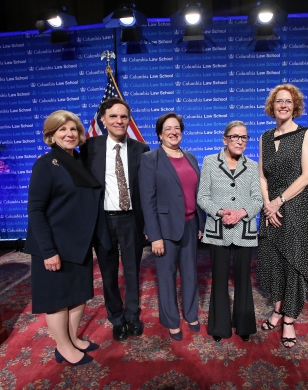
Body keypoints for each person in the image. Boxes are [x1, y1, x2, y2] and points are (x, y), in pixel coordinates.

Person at [25, 110, 110, 365]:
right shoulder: (45, 165)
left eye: (73, 129)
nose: (69, 134)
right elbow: (35, 210)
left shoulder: (78, 162)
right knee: (58, 301)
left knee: (77, 295)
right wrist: (48, 251)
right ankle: (63, 347)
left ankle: (72, 338)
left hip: (79, 245)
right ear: (51, 135)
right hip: (55, 247)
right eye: (62, 130)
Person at [79, 98, 150, 342]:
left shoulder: (141, 149)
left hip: (132, 219)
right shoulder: (89, 147)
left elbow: (148, 189)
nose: (119, 121)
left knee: (132, 271)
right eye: (113, 116)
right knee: (108, 274)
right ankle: (116, 318)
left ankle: (132, 314)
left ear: (129, 120)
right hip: (103, 221)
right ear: (103, 120)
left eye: (123, 117)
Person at [257, 84, 308, 348]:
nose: (283, 105)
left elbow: (307, 176)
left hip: (296, 209)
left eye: (289, 101)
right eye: (279, 101)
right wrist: (267, 205)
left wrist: (279, 201)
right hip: (270, 209)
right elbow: (262, 176)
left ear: (295, 107)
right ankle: (278, 310)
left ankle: (290, 320)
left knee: (293, 264)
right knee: (274, 264)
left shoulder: (306, 134)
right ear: (272, 106)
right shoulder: (265, 137)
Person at [139, 112, 206, 341]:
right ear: (160, 134)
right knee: (166, 277)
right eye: (168, 128)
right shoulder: (150, 159)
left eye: (177, 128)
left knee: (190, 274)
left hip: (190, 224)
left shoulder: (191, 157)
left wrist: (200, 222)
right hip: (164, 230)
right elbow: (147, 200)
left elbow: (196, 194)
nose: (173, 131)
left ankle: (190, 313)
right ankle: (171, 320)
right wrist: (154, 235)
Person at [197, 121, 263, 343]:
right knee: (219, 278)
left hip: (244, 229)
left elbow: (258, 199)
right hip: (217, 230)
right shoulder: (209, 162)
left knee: (244, 279)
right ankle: (219, 326)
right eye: (235, 137)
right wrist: (220, 211)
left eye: (244, 137)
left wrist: (242, 213)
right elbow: (202, 197)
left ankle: (244, 324)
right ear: (224, 139)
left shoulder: (253, 166)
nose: (239, 141)